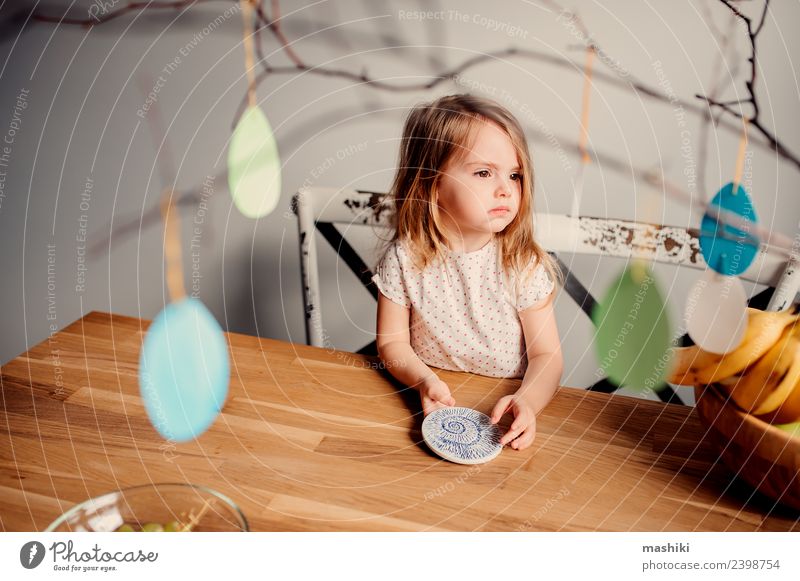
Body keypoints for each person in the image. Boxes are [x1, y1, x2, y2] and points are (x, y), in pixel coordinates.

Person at [373, 93, 564, 452]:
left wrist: (529, 402)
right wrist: (424, 382)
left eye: (515, 175)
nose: (506, 189)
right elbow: (391, 343)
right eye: (483, 172)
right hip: (434, 403)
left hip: (499, 411)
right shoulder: (404, 259)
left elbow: (547, 356)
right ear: (432, 184)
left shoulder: (521, 263)